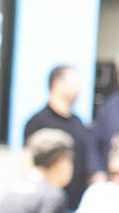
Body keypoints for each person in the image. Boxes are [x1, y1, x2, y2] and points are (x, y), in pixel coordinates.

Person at [20, 63, 96, 195]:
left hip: (77, 201)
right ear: (57, 83)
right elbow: (28, 163)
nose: (79, 89)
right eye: (74, 83)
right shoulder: (38, 122)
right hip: (49, 200)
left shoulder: (78, 123)